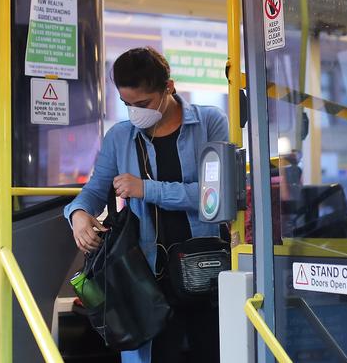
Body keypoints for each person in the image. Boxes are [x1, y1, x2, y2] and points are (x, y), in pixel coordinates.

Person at [64, 47, 228, 363]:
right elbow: (95, 190)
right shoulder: (120, 137)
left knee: (216, 352)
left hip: (207, 273)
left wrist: (146, 189)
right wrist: (79, 214)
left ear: (169, 87)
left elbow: (216, 198)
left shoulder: (209, 123)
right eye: (127, 105)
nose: (135, 113)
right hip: (147, 279)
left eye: (143, 104)